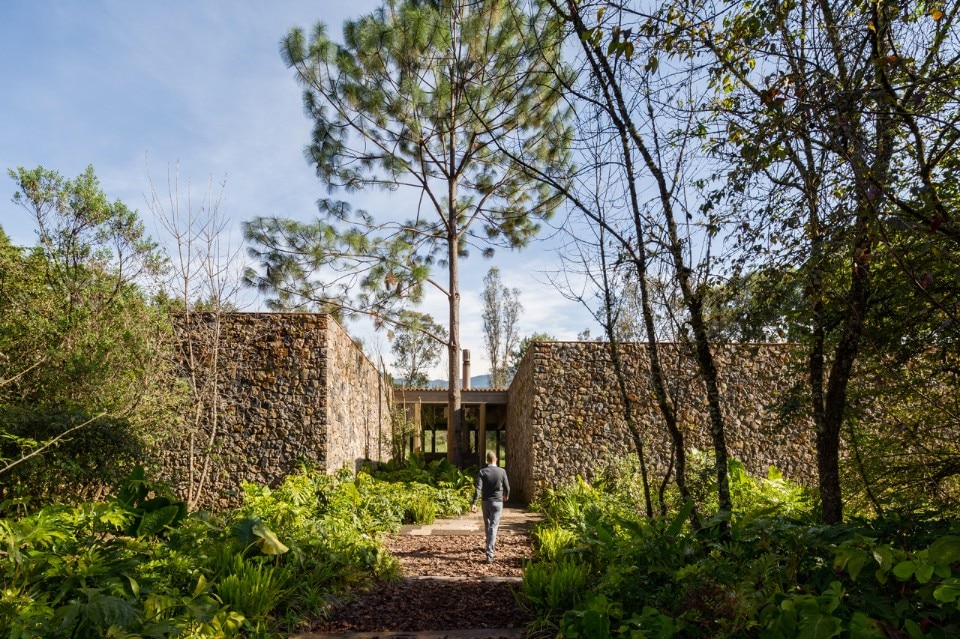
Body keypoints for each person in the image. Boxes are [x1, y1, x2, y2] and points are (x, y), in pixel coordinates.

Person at [471, 450, 510, 563]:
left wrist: (474, 503)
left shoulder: (482, 472)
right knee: (493, 527)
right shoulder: (502, 471)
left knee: (488, 525)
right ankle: (489, 553)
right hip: (498, 502)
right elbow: (507, 486)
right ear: (496, 459)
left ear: (487, 460)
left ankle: (489, 544)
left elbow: (478, 488)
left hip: (485, 502)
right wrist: (506, 495)